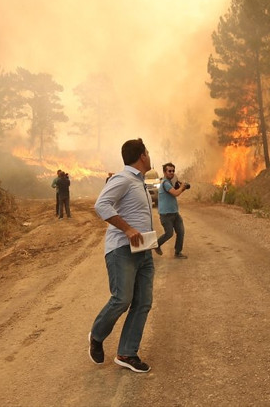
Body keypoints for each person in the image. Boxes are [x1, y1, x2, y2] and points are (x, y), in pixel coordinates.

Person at [88, 138, 155, 373]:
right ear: (142, 156)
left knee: (143, 303)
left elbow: (137, 215)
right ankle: (96, 336)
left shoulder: (140, 183)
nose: (149, 155)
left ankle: (127, 353)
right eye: (147, 152)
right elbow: (102, 205)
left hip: (143, 252)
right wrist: (127, 229)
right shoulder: (123, 178)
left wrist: (150, 240)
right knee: (122, 299)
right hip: (121, 250)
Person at [154, 162, 189, 258]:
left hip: (174, 213)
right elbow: (176, 193)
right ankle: (156, 244)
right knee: (169, 233)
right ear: (164, 172)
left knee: (181, 232)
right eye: (169, 171)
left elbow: (176, 192)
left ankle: (178, 252)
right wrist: (182, 187)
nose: (172, 173)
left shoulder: (169, 183)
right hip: (166, 215)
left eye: (173, 171)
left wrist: (182, 188)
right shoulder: (165, 183)